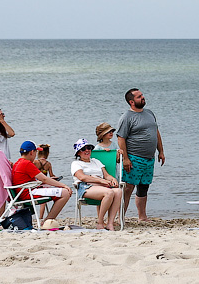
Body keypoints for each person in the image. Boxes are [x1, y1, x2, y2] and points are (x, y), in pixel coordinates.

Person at [117, 88, 165, 222]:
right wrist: (125, 159)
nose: (143, 98)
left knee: (144, 187)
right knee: (128, 188)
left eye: (142, 95)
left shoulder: (149, 113)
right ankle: (120, 217)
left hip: (149, 159)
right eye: (139, 97)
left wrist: (161, 151)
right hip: (134, 158)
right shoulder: (127, 117)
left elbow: (156, 132)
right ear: (131, 102)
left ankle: (142, 217)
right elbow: (121, 138)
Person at [11, 141, 72, 224]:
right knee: (65, 193)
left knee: (58, 190)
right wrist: (64, 185)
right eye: (36, 152)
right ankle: (47, 221)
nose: (36, 154)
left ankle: (48, 220)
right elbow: (44, 179)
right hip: (28, 193)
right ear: (32, 152)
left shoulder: (18, 163)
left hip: (23, 192)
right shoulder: (27, 163)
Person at [71, 138, 122, 230]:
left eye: (89, 148)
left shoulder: (96, 161)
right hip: (86, 187)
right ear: (78, 153)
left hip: (101, 186)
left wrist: (113, 179)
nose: (87, 150)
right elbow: (82, 177)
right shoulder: (76, 163)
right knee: (109, 193)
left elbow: (106, 175)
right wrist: (101, 181)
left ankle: (110, 223)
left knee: (118, 191)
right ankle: (100, 222)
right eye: (83, 149)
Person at [34, 144, 55, 221]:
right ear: (47, 154)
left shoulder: (35, 162)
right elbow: (51, 175)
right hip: (44, 184)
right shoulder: (48, 164)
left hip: (36, 183)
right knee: (43, 203)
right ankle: (41, 217)